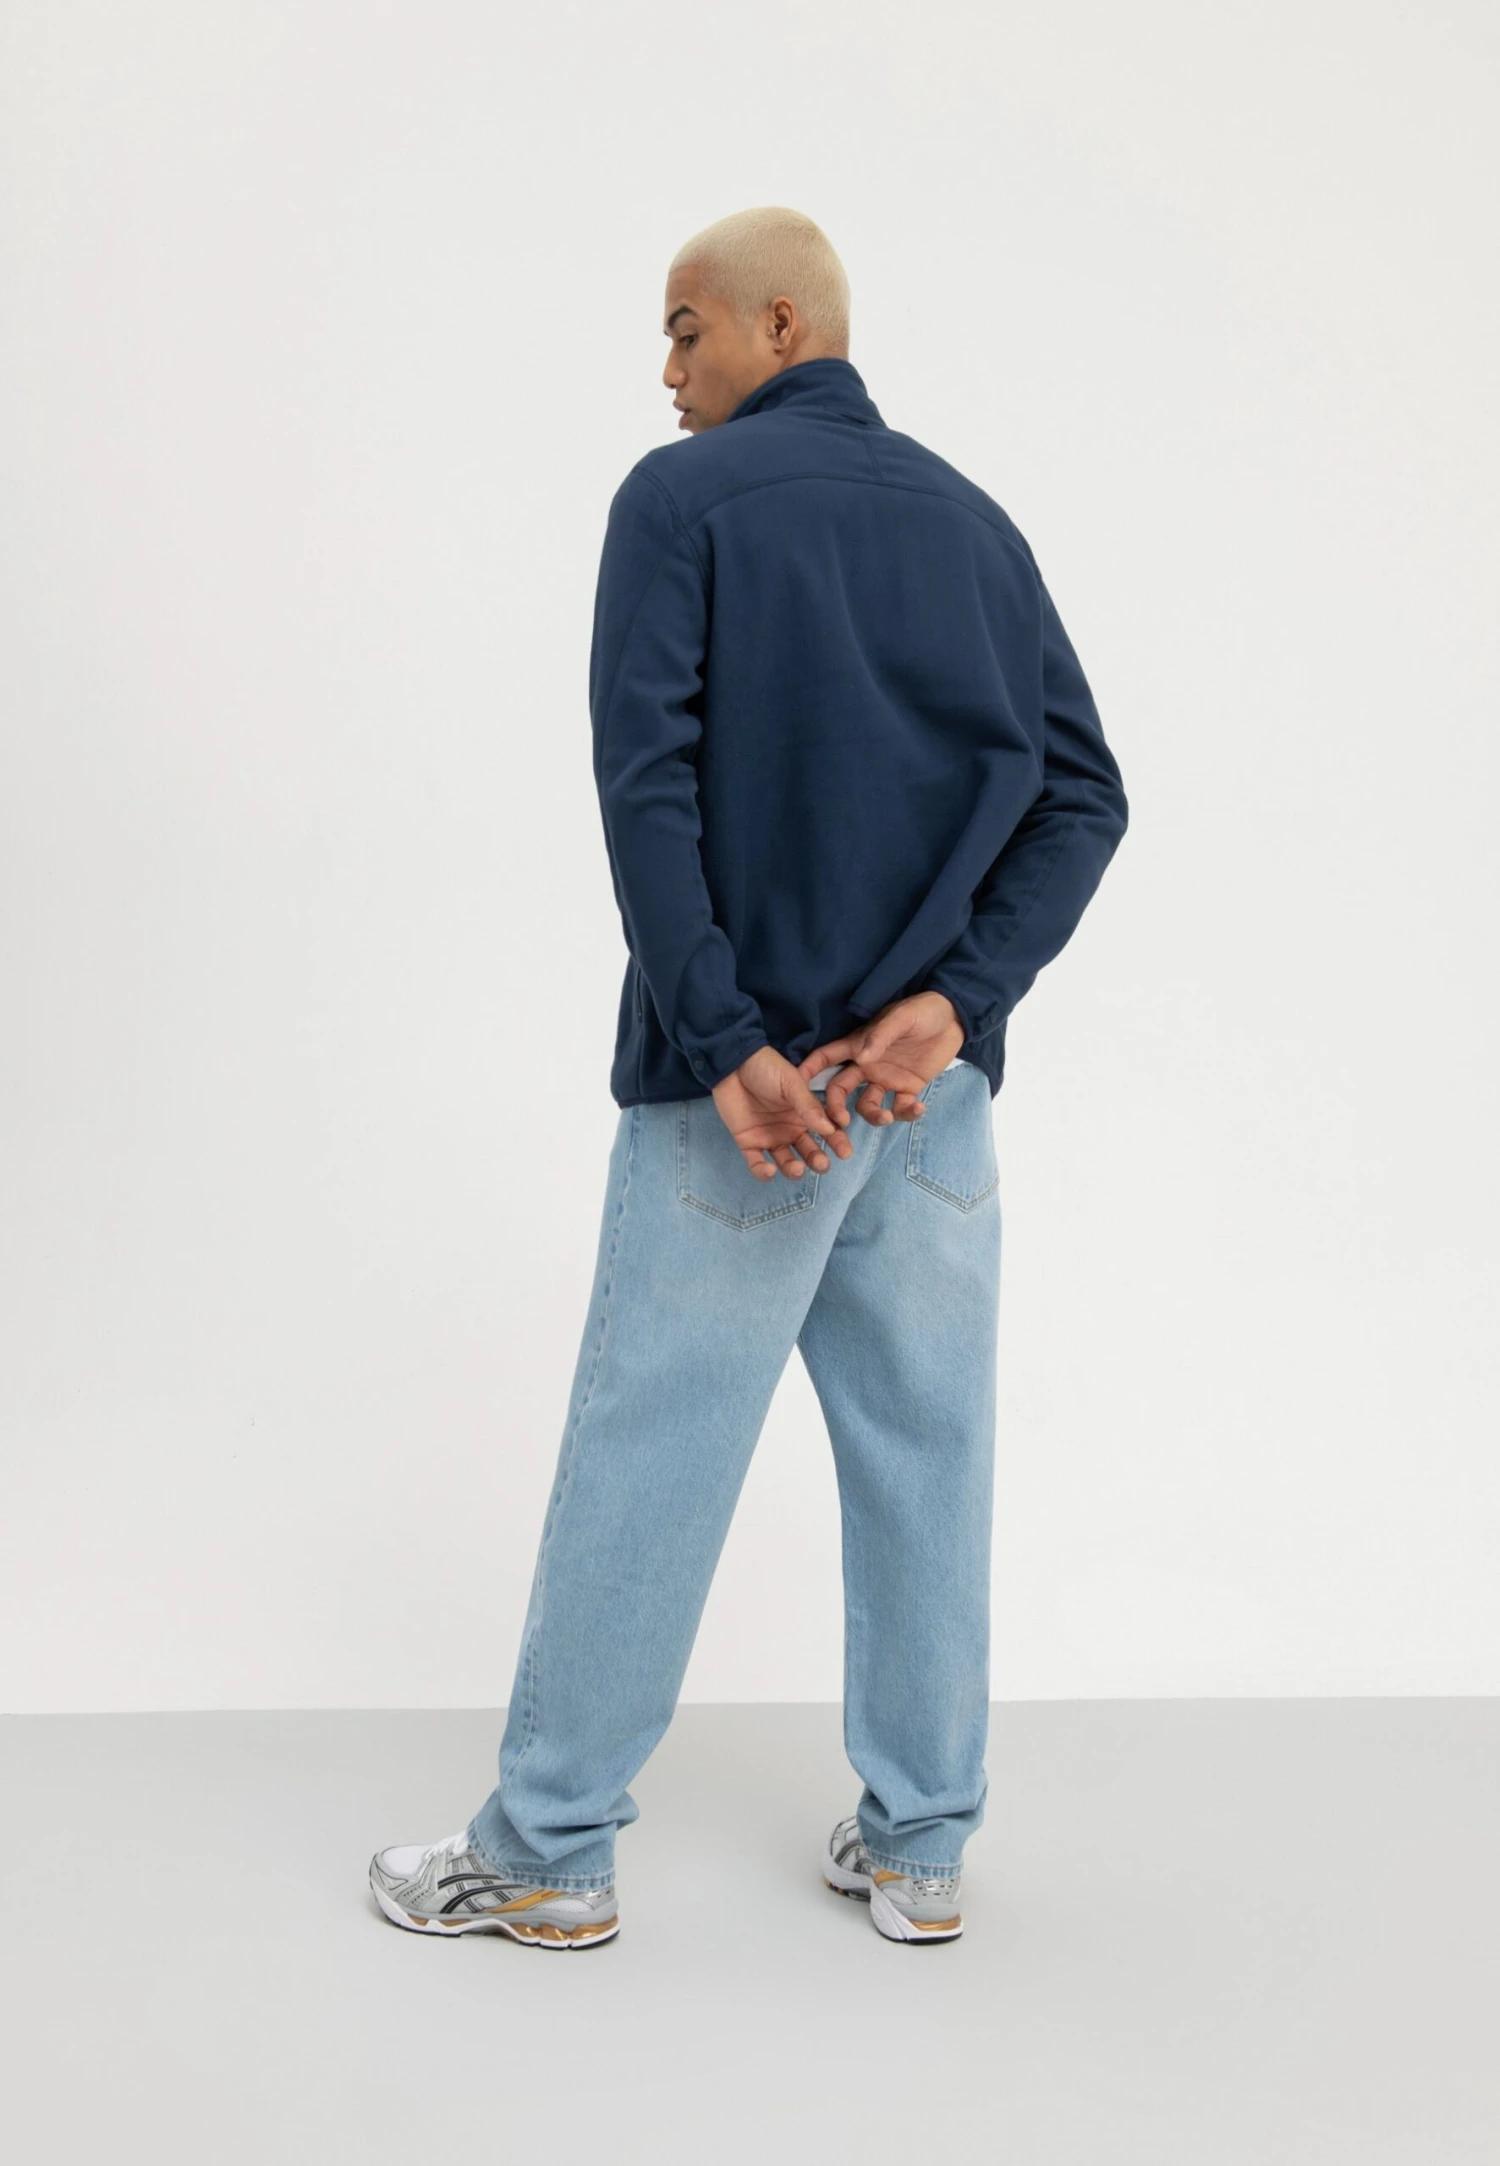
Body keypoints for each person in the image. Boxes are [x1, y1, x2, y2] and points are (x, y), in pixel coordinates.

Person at [369, 206, 1129, 1950]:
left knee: (651, 1445)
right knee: (930, 1456)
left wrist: (723, 1042)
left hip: (750, 1105)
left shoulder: (680, 502)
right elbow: (1087, 795)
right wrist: (953, 1007)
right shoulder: (977, 524)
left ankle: (549, 1847)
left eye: (685, 328)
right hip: (925, 1107)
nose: (666, 369)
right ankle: (922, 1846)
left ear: (780, 323)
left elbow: (642, 782)